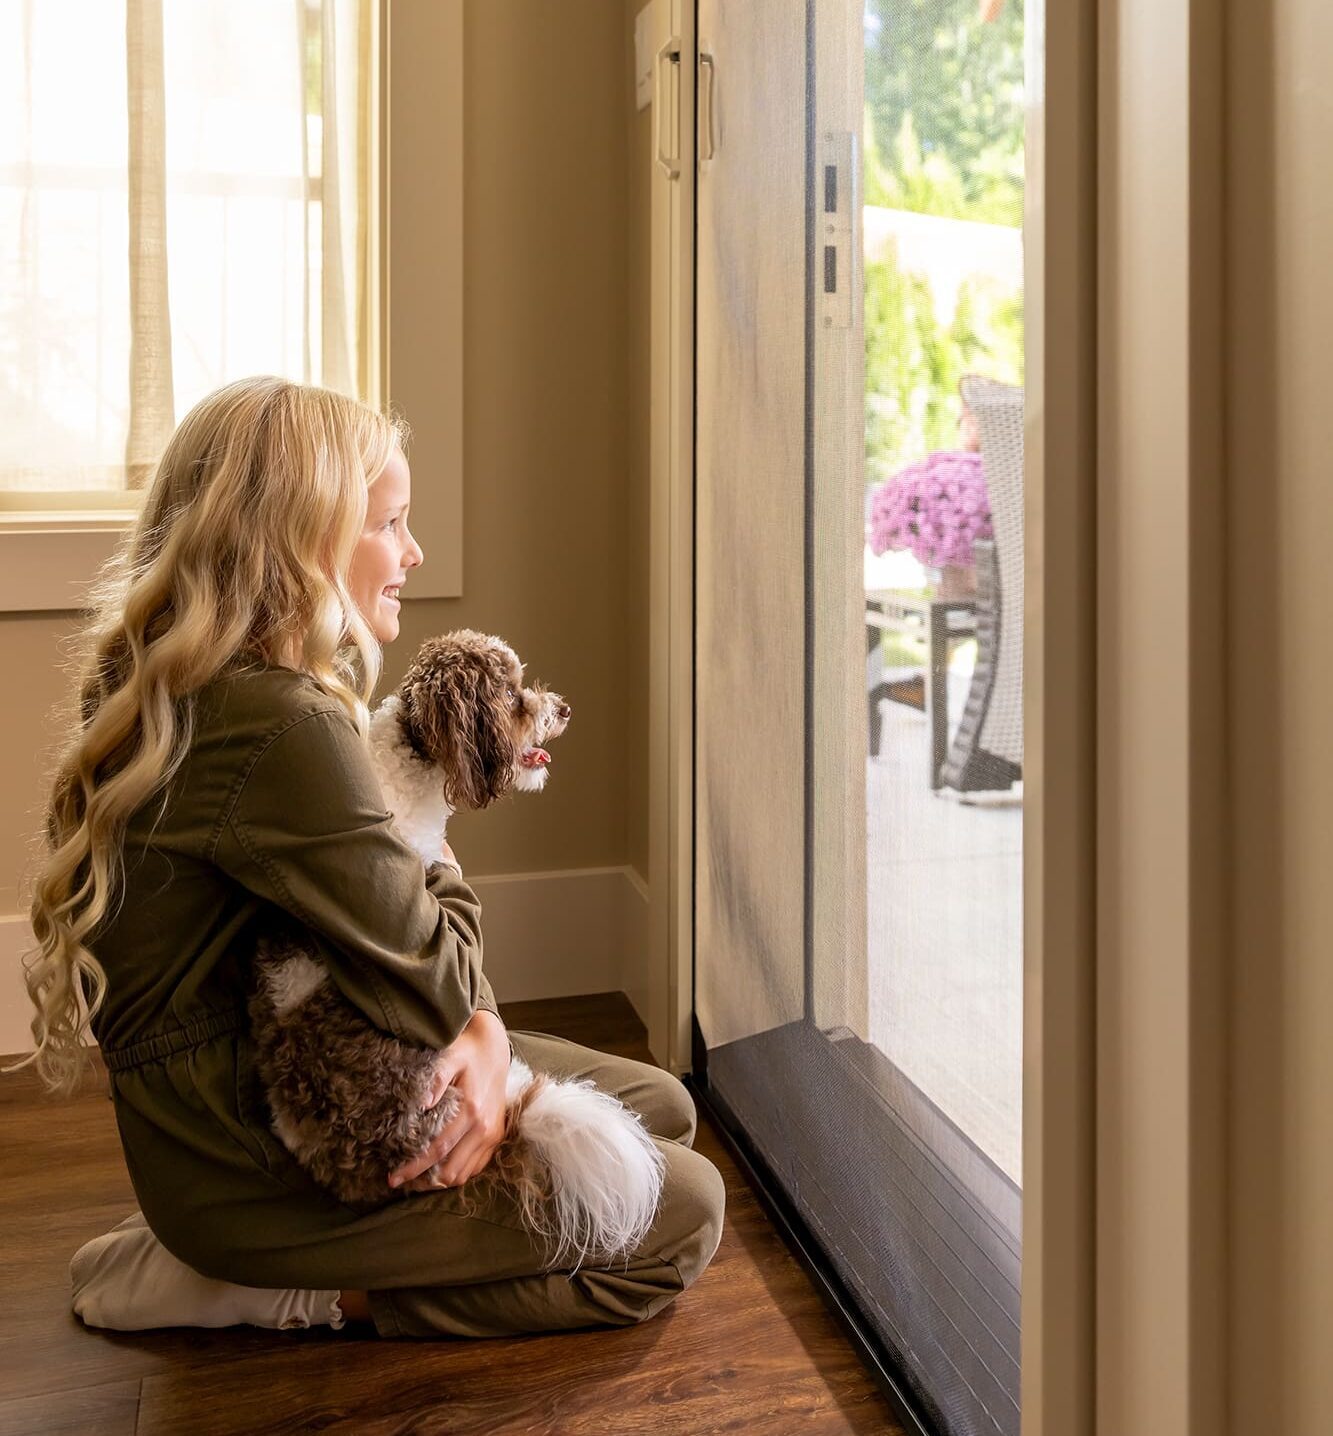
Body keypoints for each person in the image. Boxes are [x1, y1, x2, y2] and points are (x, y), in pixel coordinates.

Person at [13, 376, 724, 1338]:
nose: (414, 553)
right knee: (683, 1212)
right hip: (269, 1156)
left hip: (238, 1106)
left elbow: (404, 958)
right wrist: (481, 1022)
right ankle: (279, 1288)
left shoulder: (186, 681)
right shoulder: (283, 725)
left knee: (660, 1104)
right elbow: (434, 967)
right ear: (301, 542)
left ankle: (204, 1246)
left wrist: (479, 1030)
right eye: (390, 523)